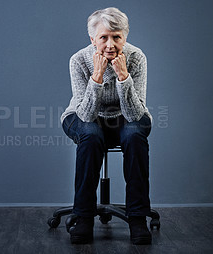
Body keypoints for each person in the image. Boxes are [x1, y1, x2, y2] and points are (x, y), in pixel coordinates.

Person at [61, 7, 153, 245]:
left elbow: (134, 114)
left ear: (125, 37)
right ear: (93, 39)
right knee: (90, 136)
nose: (110, 44)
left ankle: (137, 218)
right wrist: (97, 77)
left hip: (127, 115)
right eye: (103, 37)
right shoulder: (79, 60)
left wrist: (124, 78)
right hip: (83, 115)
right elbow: (86, 114)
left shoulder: (136, 58)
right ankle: (83, 217)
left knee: (134, 135)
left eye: (117, 37)